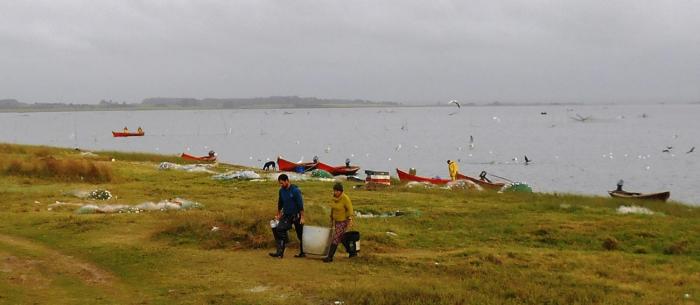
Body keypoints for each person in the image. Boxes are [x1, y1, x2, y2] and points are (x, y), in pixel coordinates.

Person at [269, 174, 305, 258]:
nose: (281, 185)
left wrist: (302, 217)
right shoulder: (281, 191)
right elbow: (280, 203)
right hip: (287, 215)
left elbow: (300, 205)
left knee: (300, 235)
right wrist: (278, 214)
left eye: (282, 183)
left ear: (287, 181)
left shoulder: (295, 191)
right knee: (279, 229)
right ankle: (280, 252)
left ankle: (303, 253)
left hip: (296, 215)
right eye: (280, 183)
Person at [323, 182, 355, 262]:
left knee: (336, 238)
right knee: (342, 238)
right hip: (336, 221)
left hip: (343, 221)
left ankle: (330, 257)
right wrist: (331, 218)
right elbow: (333, 208)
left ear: (341, 191)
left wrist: (350, 219)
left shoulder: (345, 198)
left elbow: (350, 209)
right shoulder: (333, 198)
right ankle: (352, 252)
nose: (335, 192)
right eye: (334, 191)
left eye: (337, 191)